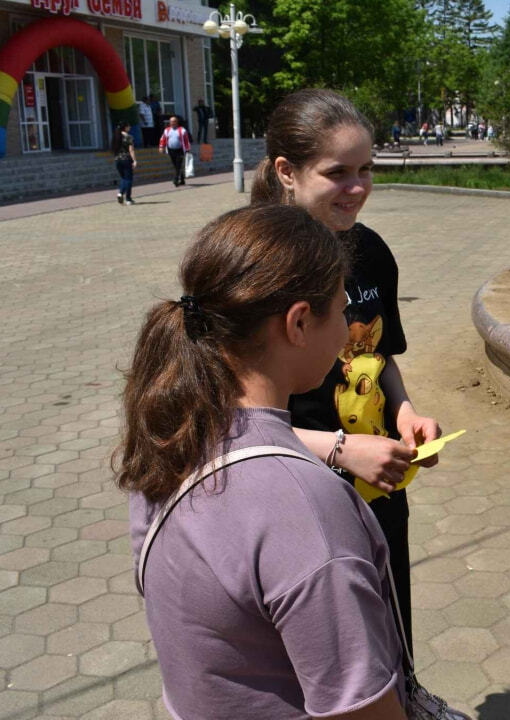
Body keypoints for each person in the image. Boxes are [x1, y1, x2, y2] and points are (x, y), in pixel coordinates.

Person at [120, 204, 408, 720]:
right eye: (342, 310)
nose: (348, 328)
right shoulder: (306, 508)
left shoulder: (174, 437)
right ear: (299, 322)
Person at [250, 88, 443, 655]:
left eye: (366, 170)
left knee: (387, 640)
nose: (358, 188)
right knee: (330, 663)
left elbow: (382, 358)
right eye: (338, 173)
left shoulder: (372, 251)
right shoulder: (252, 262)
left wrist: (406, 411)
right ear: (287, 171)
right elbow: (225, 422)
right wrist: (339, 449)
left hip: (379, 485)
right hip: (294, 498)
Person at [159, 115, 192, 186]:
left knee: (178, 165)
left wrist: (187, 149)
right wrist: (161, 147)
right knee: (176, 166)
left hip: (180, 150)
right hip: (171, 150)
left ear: (177, 122)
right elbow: (163, 139)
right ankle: (182, 179)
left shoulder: (182, 130)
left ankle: (176, 179)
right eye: (171, 121)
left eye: (174, 121)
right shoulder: (167, 130)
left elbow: (186, 141)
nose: (172, 123)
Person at [112, 122, 136, 206]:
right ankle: (127, 198)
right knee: (129, 178)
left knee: (123, 177)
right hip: (126, 159)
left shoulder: (116, 136)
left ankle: (122, 194)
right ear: (125, 127)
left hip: (117, 159)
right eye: (128, 126)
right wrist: (134, 160)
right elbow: (131, 150)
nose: (129, 127)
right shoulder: (128, 137)